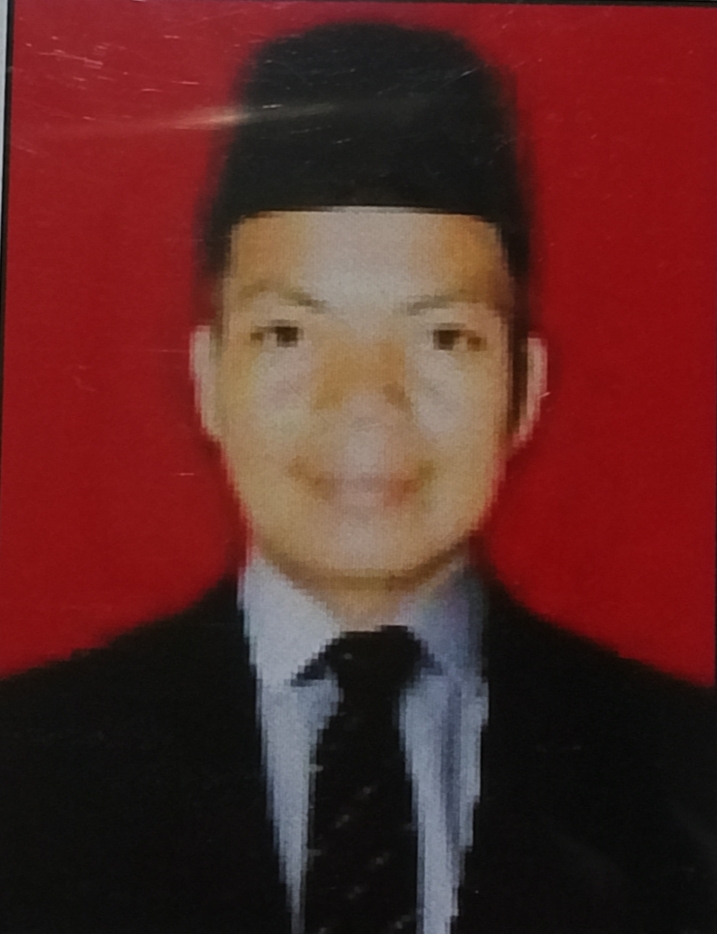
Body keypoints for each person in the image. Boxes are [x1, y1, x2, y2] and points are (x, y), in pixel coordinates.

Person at [0, 21, 713, 934]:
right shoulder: (28, 764)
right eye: (289, 333)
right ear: (208, 380)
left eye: (442, 336)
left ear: (525, 390)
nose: (366, 401)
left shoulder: (686, 767)